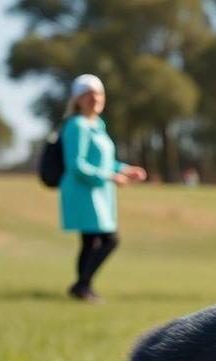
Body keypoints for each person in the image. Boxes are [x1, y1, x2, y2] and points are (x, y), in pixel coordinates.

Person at [59, 74, 146, 302]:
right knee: (109, 239)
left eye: (98, 94)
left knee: (91, 243)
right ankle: (82, 285)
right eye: (88, 95)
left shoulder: (98, 125)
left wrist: (125, 169)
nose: (94, 98)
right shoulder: (77, 126)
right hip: (83, 192)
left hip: (99, 192)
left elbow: (107, 161)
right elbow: (77, 165)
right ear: (78, 99)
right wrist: (110, 177)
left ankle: (83, 286)